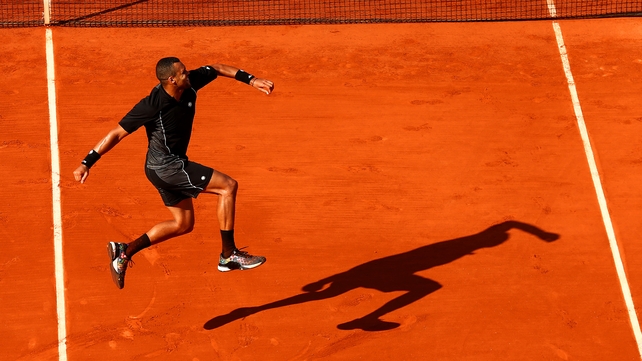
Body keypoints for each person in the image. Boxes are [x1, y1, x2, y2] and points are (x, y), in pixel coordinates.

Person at [73, 57, 274, 289]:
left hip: (160, 168)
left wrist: (251, 80)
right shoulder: (153, 105)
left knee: (183, 224)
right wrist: (86, 162)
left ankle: (124, 251)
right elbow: (117, 133)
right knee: (227, 186)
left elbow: (217, 68)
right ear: (172, 80)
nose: (189, 74)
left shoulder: (188, 84)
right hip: (167, 167)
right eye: (183, 73)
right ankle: (229, 255)